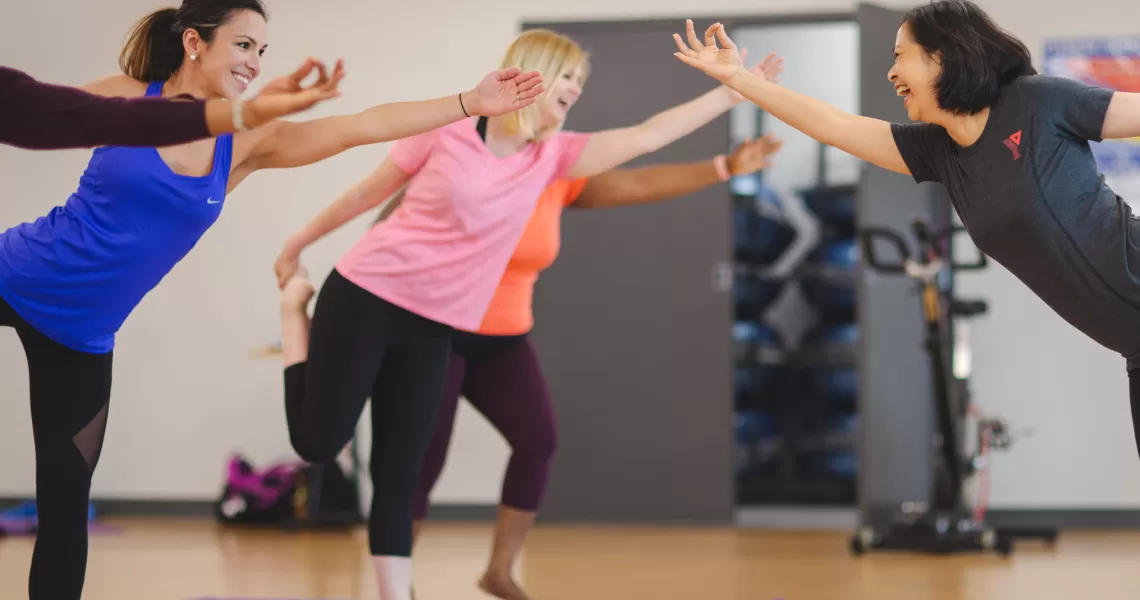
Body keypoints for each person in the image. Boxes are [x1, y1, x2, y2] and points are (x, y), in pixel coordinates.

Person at [670, 2, 1140, 599]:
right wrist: (741, 82)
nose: (892, 70)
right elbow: (835, 125)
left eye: (902, 54)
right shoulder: (938, 155)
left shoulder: (1039, 102)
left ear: (945, 55)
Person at [0, 1, 544, 598]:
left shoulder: (246, 140)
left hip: (83, 334)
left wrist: (468, 102)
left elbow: (359, 125)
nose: (255, 62)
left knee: (65, 498)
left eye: (263, 51)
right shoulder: (125, 96)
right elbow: (33, 117)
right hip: (15, 271)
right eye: (243, 45)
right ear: (193, 43)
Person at [271, 28, 783, 600]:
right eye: (568, 78)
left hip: (435, 324)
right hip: (367, 292)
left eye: (580, 84)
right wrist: (297, 244)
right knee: (318, 444)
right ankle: (296, 316)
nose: (576, 91)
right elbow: (368, 195)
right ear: (532, 73)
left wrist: (732, 91)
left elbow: (646, 137)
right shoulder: (447, 133)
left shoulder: (553, 159)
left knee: (398, 475)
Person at [395, 133, 782, 599]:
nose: (564, 112)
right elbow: (392, 230)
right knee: (419, 461)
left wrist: (725, 166)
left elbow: (636, 184)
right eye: (561, 93)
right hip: (438, 332)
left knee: (537, 441)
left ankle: (498, 573)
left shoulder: (554, 172)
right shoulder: (462, 161)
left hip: (504, 338)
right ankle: (394, 585)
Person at [1, 60, 340, 150]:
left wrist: (249, 112)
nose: (254, 64)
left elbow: (101, 118)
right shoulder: (124, 86)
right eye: (244, 44)